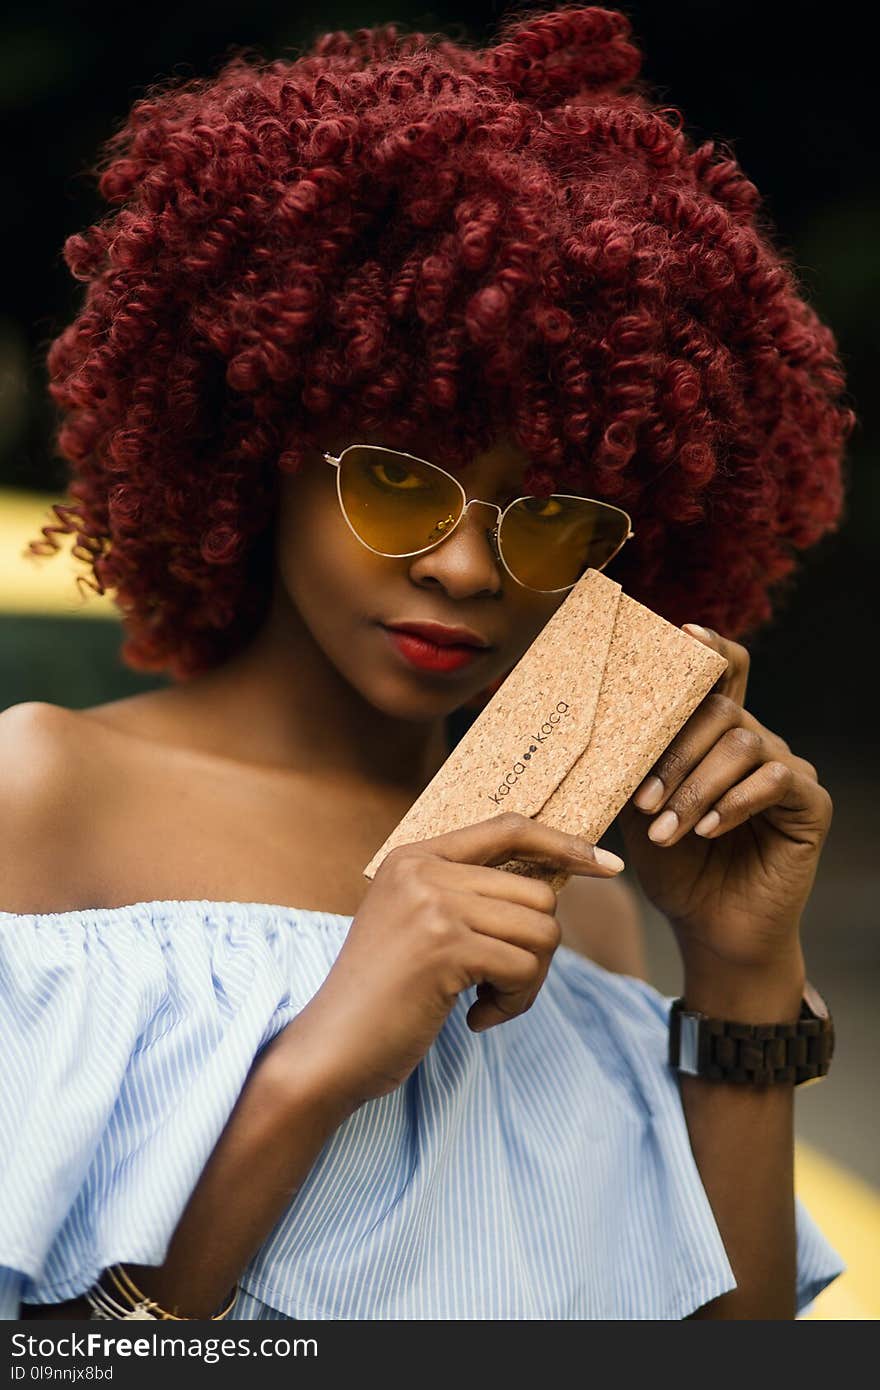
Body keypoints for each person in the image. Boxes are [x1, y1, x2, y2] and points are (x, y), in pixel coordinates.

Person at [0, 5, 854, 1320]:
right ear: (259, 447)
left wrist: (742, 966)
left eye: (549, 514)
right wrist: (313, 1072)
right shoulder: (45, 796)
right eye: (399, 481)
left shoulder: (589, 905)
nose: (466, 568)